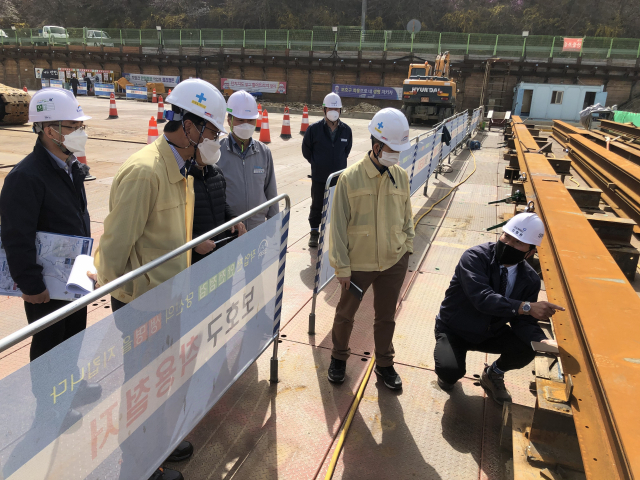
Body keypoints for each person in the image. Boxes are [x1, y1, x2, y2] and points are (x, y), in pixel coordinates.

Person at [92, 78, 227, 480]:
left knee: (165, 381)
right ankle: (139, 465)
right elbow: (114, 250)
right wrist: (127, 303)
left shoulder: (183, 168)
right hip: (143, 304)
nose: (213, 139)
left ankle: (160, 444)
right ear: (188, 124)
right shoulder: (145, 173)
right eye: (211, 131)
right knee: (141, 389)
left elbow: (166, 235)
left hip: (170, 297)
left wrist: (193, 248)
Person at [0, 88, 94, 363]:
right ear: (49, 130)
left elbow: (80, 218)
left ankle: (71, 387)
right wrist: (31, 285)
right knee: (50, 345)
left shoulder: (70, 166)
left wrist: (86, 265)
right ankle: (48, 403)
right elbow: (16, 237)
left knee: (74, 333)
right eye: (73, 126)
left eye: (81, 126)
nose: (80, 132)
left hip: (74, 274)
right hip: (46, 283)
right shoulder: (25, 177)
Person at [433, 213, 564, 405]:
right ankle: (449, 368)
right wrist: (526, 307)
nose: (509, 244)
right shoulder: (475, 257)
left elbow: (523, 321)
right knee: (450, 373)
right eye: (506, 236)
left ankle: (493, 373)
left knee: (528, 347)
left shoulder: (529, 279)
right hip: (455, 330)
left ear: (530, 252)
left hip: (489, 332)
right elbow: (483, 299)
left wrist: (542, 340)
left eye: (518, 242)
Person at [327, 108, 414, 391]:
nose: (397, 155)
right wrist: (342, 267)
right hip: (358, 265)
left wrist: (406, 250)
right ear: (376, 145)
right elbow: (337, 226)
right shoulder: (349, 179)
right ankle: (339, 358)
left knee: (386, 317)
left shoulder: (400, 176)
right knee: (345, 314)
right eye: (392, 148)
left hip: (393, 263)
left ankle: (385, 364)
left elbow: (407, 219)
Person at [217, 90, 278, 231]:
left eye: (250, 120)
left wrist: (274, 225)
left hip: (258, 228)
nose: (246, 124)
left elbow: (271, 192)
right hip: (229, 229)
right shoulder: (217, 151)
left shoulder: (264, 152)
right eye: (240, 120)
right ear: (229, 120)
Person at [302, 92, 352, 247]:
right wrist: (317, 162)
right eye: (330, 108)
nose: (333, 111)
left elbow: (346, 150)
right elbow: (306, 150)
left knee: (337, 206)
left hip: (338, 178)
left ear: (340, 111)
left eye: (336, 109)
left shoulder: (346, 130)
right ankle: (314, 233)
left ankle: (333, 233)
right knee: (317, 205)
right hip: (319, 177)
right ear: (324, 109)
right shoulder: (314, 129)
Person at [189, 138, 247, 263]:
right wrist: (194, 243)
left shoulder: (216, 172)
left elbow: (221, 202)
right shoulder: (183, 177)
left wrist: (233, 218)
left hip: (222, 252)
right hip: (197, 260)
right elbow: (174, 221)